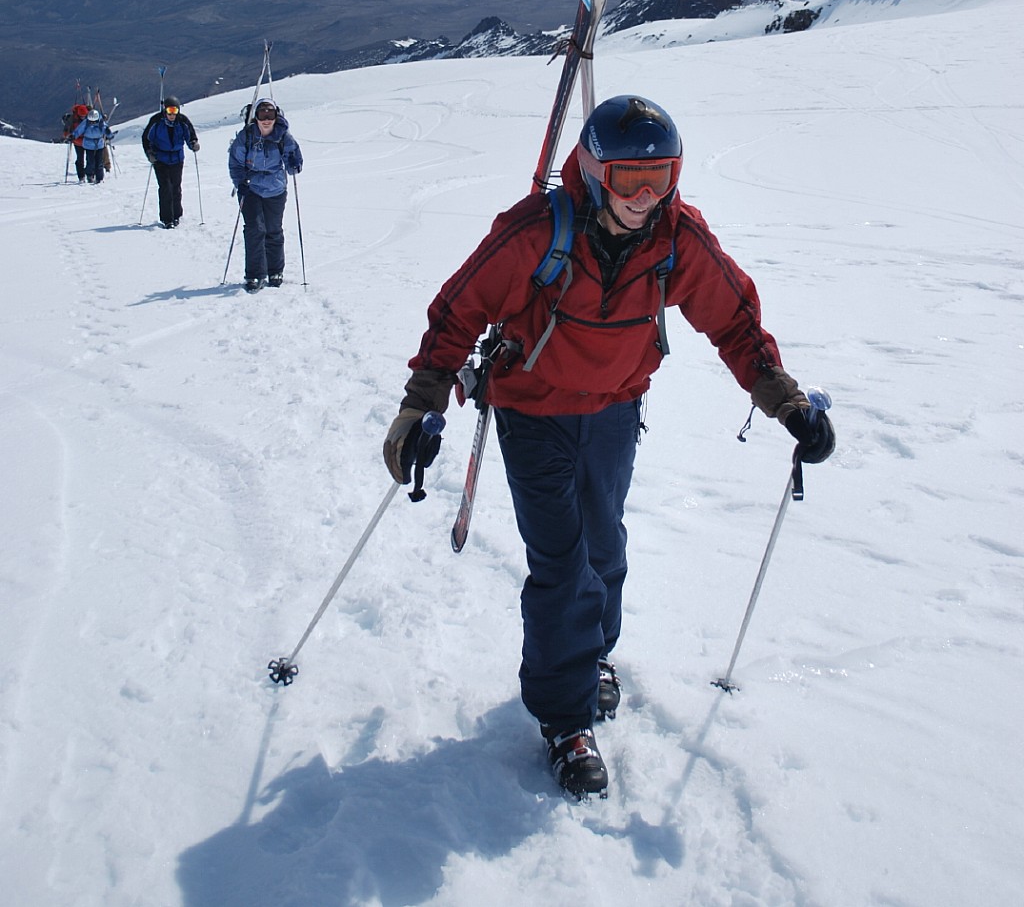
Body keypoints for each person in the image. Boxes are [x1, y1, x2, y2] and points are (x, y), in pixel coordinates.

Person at [384, 95, 835, 799]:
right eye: (630, 180)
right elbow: (460, 307)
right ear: (596, 173)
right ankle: (565, 721)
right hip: (534, 410)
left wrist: (787, 402)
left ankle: (591, 657)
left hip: (616, 408)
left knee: (604, 547)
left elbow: (734, 321)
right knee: (563, 564)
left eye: (661, 177)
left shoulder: (676, 237)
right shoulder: (536, 231)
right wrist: (420, 405)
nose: (645, 196)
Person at [227, 99, 303, 292]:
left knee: (273, 229)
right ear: (256, 117)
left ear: (276, 116)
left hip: (275, 189)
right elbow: (235, 163)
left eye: (270, 115)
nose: (267, 119)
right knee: (254, 229)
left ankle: (275, 271)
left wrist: (294, 162)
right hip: (250, 189)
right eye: (262, 115)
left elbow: (294, 166)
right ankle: (254, 275)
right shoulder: (246, 137)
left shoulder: (284, 137)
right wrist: (240, 183)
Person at [141, 96, 200, 228]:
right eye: (169, 110)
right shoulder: (156, 121)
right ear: (165, 110)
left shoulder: (182, 121)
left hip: (177, 159)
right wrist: (149, 153)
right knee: (165, 187)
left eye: (175, 111)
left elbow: (190, 135)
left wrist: (193, 144)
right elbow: (146, 139)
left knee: (176, 187)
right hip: (160, 159)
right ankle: (167, 219)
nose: (172, 114)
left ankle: (177, 216)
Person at [72, 107, 114, 184]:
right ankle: (90, 175)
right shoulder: (86, 122)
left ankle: (99, 178)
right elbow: (79, 130)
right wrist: (73, 136)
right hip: (89, 145)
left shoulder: (101, 123)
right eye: (91, 121)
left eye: (94, 121)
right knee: (90, 162)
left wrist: (109, 134)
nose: (93, 123)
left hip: (98, 144)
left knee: (99, 162)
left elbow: (105, 129)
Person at [63, 101, 90, 181]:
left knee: (89, 159)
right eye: (81, 116)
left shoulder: (76, 118)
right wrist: (68, 136)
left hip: (83, 141)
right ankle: (82, 176)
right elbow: (66, 130)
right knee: (81, 159)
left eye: (84, 116)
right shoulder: (72, 119)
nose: (83, 117)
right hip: (80, 141)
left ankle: (87, 174)